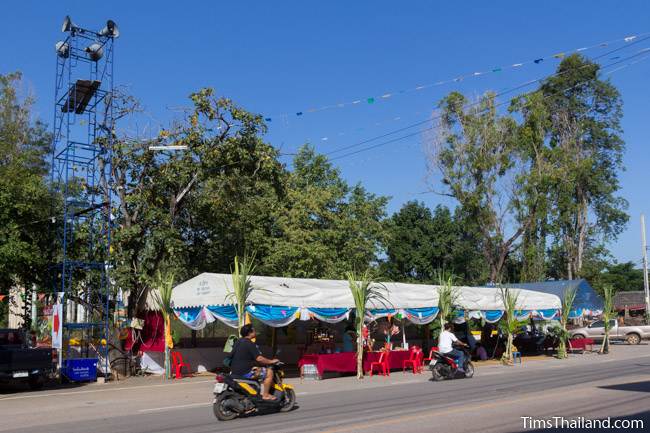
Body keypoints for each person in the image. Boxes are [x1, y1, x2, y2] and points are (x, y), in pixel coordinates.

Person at [230, 324, 279, 400]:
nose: (255, 331)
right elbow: (259, 359)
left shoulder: (238, 342)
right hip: (245, 372)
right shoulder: (249, 343)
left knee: (259, 369)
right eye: (254, 330)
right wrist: (271, 361)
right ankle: (265, 395)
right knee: (269, 372)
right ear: (250, 333)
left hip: (234, 371)